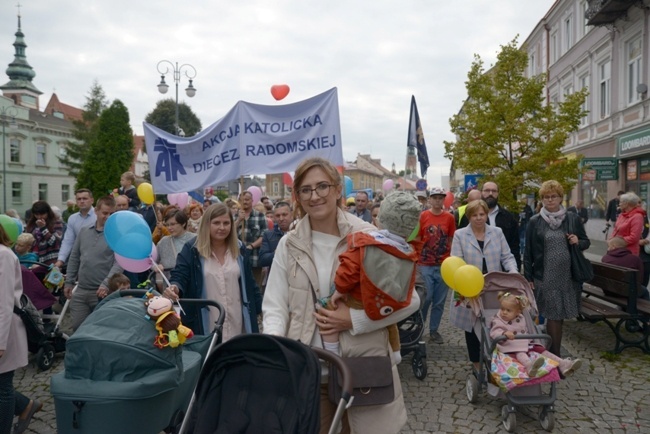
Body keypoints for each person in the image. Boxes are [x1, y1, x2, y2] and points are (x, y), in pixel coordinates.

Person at [263, 157, 417, 434]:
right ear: (297, 196)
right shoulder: (289, 244)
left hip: (362, 367)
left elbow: (410, 300)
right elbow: (275, 305)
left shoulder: (369, 237)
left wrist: (355, 320)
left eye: (322, 186)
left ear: (337, 190)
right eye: (306, 189)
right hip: (310, 371)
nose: (315, 195)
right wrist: (277, 355)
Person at [324, 191, 421, 365]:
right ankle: (396, 351)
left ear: (379, 220)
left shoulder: (365, 245)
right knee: (390, 324)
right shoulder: (407, 252)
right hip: (388, 302)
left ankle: (331, 353)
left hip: (360, 299)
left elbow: (348, 271)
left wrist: (339, 289)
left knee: (326, 313)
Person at [166, 203, 262, 340]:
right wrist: (175, 287)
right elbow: (180, 274)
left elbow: (250, 284)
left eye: (226, 223)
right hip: (206, 324)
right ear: (207, 224)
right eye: (216, 223)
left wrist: (259, 309)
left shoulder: (240, 249)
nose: (222, 228)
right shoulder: (192, 249)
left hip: (238, 323)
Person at [449, 199, 518, 370]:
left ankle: (496, 361)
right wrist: (465, 282)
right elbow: (457, 261)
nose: (479, 218)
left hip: (493, 287)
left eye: (482, 214)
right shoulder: (460, 235)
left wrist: (514, 273)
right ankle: (477, 365)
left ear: (487, 214)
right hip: (469, 287)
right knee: (472, 327)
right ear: (469, 217)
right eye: (474, 215)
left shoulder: (497, 232)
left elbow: (507, 256)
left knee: (495, 323)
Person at [524, 180, 590, 357]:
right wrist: (528, 277)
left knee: (558, 316)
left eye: (553, 196)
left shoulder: (572, 218)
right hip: (545, 275)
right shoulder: (535, 221)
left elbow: (586, 242)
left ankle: (549, 351)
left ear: (561, 198)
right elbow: (528, 251)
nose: (550, 200)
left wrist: (578, 241)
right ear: (542, 199)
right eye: (546, 197)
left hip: (568, 275)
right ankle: (555, 356)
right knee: (553, 315)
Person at [0, 224, 42, 434]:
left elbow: (4, 301)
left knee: (2, 387)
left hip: (4, 329)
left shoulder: (3, 255)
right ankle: (26, 405)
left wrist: (0, 341)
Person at [490, 291, 583, 377]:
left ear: (518, 312)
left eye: (508, 310)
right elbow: (494, 332)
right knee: (520, 352)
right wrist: (504, 333)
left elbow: (525, 330)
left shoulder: (521, 317)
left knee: (541, 349)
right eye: (502, 309)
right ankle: (529, 365)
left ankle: (562, 363)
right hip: (510, 345)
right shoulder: (498, 320)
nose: (504, 312)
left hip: (526, 342)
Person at [63, 196, 122, 331]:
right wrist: (69, 281)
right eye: (105, 213)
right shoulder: (84, 231)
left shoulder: (117, 235)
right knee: (78, 327)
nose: (108, 217)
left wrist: (107, 283)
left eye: (112, 214)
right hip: (81, 289)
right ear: (96, 211)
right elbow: (74, 257)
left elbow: (119, 263)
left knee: (100, 329)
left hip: (103, 291)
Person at [418, 187, 456, 344]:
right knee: (425, 298)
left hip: (443, 264)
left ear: (443, 200)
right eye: (435, 198)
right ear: (429, 200)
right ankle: (420, 328)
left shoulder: (449, 218)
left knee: (439, 300)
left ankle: (434, 330)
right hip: (425, 263)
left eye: (440, 198)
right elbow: (418, 237)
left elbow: (451, 239)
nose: (438, 201)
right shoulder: (423, 216)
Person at [460, 181, 520, 269]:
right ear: (481, 193)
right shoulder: (468, 217)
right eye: (487, 190)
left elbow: (514, 246)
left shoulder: (508, 217)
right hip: (472, 272)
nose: (490, 193)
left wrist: (514, 271)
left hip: (502, 271)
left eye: (494, 191)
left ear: (498, 193)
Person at [154, 209, 196, 289]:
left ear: (183, 223)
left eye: (172, 224)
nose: (169, 228)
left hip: (191, 285)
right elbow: (152, 261)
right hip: (169, 286)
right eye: (167, 225)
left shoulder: (195, 239)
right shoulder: (163, 241)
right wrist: (156, 267)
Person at [55, 188, 96, 269]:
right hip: (78, 259)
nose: (82, 201)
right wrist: (60, 260)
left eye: (85, 198)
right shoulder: (72, 218)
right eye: (79, 199)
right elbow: (68, 241)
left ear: (92, 200)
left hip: (96, 260)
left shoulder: (98, 216)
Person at [235, 191, 267, 286]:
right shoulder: (234, 216)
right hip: (238, 259)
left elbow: (264, 236)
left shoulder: (260, 216)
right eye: (242, 200)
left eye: (247, 199)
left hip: (255, 258)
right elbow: (228, 233)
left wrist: (251, 246)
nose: (245, 202)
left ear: (252, 200)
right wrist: (238, 220)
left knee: (255, 286)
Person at [25, 201, 64, 267]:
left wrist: (43, 228)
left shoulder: (56, 223)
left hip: (51, 260)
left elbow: (54, 242)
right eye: (36, 214)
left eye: (42, 214)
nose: (39, 217)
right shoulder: (31, 224)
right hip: (34, 260)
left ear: (48, 213)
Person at [258, 201, 293, 272]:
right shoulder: (268, 235)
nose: (281, 218)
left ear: (291, 215)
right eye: (278, 216)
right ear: (274, 217)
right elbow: (262, 260)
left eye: (284, 215)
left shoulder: (300, 232)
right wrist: (277, 253)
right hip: (277, 276)